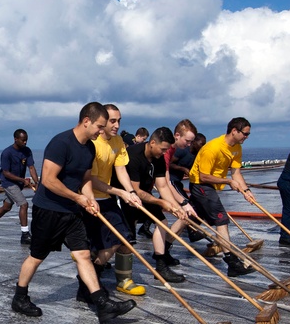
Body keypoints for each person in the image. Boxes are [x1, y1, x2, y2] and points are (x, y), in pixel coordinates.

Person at [11, 102, 136, 324]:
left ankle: (101, 304)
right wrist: (78, 197)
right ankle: (20, 297)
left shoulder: (89, 147)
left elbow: (85, 178)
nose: (101, 131)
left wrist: (88, 198)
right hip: (49, 210)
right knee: (37, 256)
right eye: (99, 126)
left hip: (71, 211)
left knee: (83, 254)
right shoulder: (61, 143)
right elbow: (49, 181)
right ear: (86, 120)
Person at [83, 104, 146, 297]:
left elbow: (120, 170)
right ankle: (90, 276)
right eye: (112, 121)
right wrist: (121, 193)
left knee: (124, 239)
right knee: (105, 244)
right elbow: (90, 179)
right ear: (101, 122)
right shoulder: (92, 144)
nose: (117, 125)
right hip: (89, 199)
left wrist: (130, 192)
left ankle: (124, 281)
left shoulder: (118, 141)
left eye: (119, 120)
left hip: (108, 198)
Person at [115, 127, 187, 282]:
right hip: (127, 198)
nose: (163, 153)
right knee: (126, 240)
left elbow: (162, 186)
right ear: (152, 142)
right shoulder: (133, 156)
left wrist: (176, 207)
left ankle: (160, 267)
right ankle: (99, 266)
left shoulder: (159, 157)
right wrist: (160, 202)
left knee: (163, 222)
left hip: (144, 197)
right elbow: (135, 190)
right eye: (162, 149)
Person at [188, 118, 256, 278]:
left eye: (248, 134)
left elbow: (236, 173)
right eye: (245, 134)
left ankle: (164, 249)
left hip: (211, 185)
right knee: (222, 220)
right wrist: (228, 181)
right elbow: (203, 177)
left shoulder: (237, 148)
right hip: (200, 185)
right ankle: (232, 263)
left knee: (187, 216)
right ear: (234, 131)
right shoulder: (212, 148)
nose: (247, 137)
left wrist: (246, 190)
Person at [0, 129, 39, 244]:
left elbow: (31, 168)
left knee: (6, 207)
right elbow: (6, 172)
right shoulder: (7, 153)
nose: (25, 142)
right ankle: (25, 235)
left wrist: (37, 183)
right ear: (15, 139)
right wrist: (22, 179)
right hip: (8, 183)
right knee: (24, 204)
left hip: (18, 184)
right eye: (23, 140)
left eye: (26, 140)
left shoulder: (27, 151)